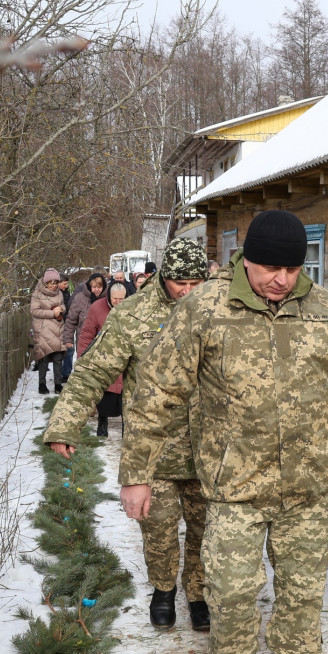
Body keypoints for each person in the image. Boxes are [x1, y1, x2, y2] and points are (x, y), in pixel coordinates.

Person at [119, 209, 328, 654]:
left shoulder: (324, 311)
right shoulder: (206, 309)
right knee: (230, 592)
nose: (280, 279)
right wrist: (137, 472)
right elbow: (156, 395)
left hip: (307, 488)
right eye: (268, 268)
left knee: (301, 595)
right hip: (233, 487)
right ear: (245, 260)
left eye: (292, 269)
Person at [44, 238, 211, 631]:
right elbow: (93, 371)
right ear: (163, 277)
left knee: (208, 529)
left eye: (196, 283)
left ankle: (199, 592)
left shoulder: (220, 314)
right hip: (153, 447)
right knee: (159, 529)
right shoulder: (134, 315)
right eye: (179, 283)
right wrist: (65, 423)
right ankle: (164, 589)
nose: (187, 292)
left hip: (211, 450)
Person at [78, 283, 128, 435]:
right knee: (105, 392)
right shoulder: (97, 308)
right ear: (109, 296)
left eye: (122, 299)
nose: (118, 302)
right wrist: (83, 356)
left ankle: (126, 427)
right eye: (115, 299)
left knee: (126, 395)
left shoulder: (132, 307)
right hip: (104, 357)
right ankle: (102, 422)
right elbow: (87, 334)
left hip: (125, 357)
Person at [30, 268, 67, 394]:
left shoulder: (59, 293)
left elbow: (63, 306)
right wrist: (52, 313)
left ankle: (58, 384)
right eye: (51, 283)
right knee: (43, 357)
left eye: (55, 283)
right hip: (43, 329)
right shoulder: (37, 293)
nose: (53, 286)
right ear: (45, 282)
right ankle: (42, 384)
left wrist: (61, 309)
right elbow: (34, 311)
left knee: (58, 357)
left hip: (57, 328)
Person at [62, 273, 106, 360]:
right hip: (84, 341)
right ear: (90, 287)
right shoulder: (80, 298)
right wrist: (68, 339)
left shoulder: (108, 299)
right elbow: (71, 320)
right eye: (94, 287)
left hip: (104, 342)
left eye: (99, 287)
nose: (97, 290)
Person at [57, 274, 74, 383]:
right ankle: (58, 373)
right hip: (57, 325)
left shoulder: (67, 293)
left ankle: (66, 373)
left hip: (67, 324)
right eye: (64, 283)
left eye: (67, 283)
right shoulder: (55, 295)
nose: (66, 285)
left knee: (70, 349)